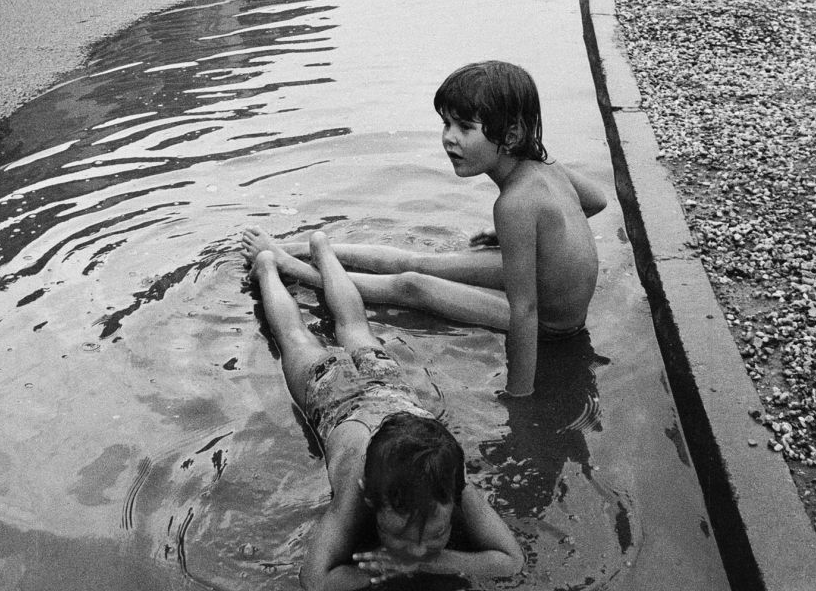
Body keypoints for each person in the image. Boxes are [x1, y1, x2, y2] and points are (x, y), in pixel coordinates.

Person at [244, 60, 607, 400]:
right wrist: (524, 237)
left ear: (511, 134)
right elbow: (596, 201)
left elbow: (524, 313)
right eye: (446, 124)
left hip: (552, 323)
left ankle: (293, 269)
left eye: (465, 127)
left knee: (414, 285)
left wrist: (519, 398)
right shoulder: (548, 166)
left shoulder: (515, 204)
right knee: (423, 262)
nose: (449, 138)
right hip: (549, 283)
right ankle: (290, 247)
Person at [242, 230, 523, 591]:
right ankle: (268, 268)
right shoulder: (355, 492)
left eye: (438, 532)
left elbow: (512, 561)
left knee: (354, 326)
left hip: (386, 385)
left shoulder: (446, 478)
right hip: (331, 394)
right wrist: (385, 571)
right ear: (369, 496)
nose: (419, 549)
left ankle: (323, 251)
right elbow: (315, 580)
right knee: (296, 337)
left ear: (453, 497)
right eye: (400, 535)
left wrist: (430, 563)